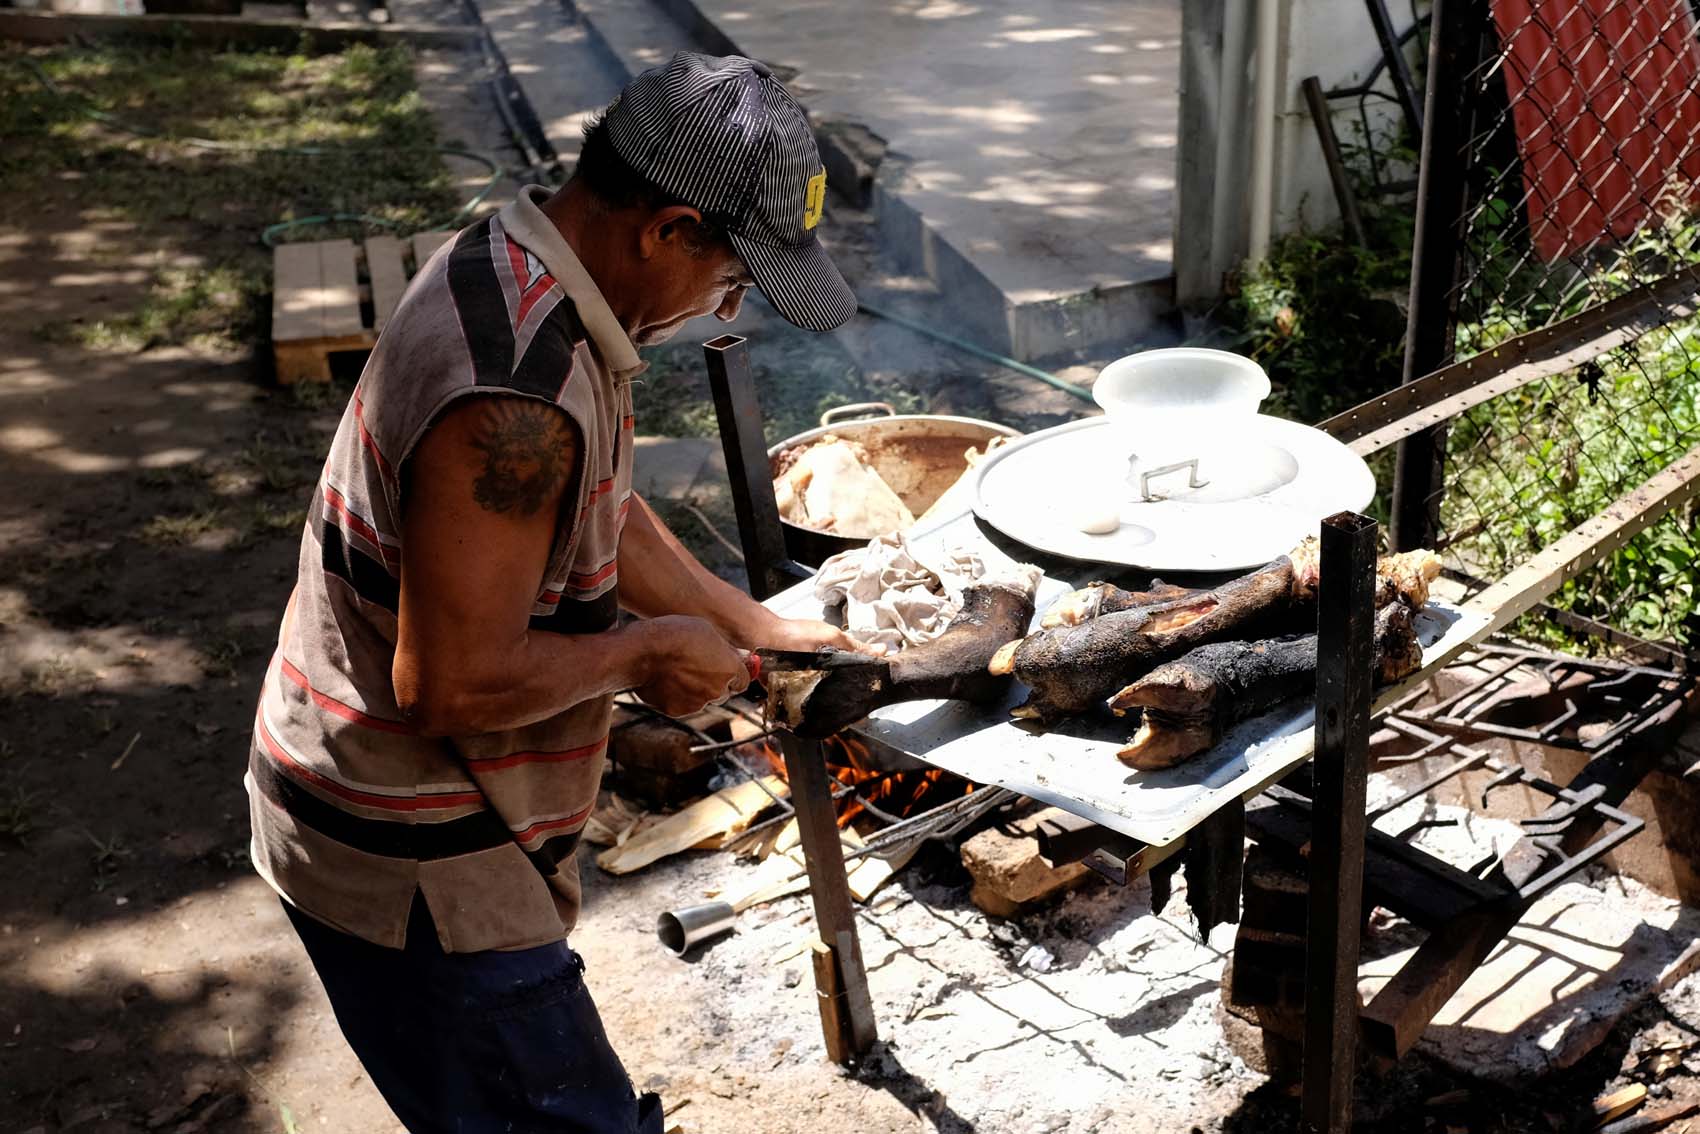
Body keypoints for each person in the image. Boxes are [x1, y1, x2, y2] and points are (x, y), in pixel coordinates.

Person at [246, 52, 864, 1132]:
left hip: (445, 817)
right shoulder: (509, 395)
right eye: (730, 275)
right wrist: (640, 655)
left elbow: (599, 506)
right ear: (667, 229)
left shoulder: (524, 263)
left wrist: (748, 622)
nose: (725, 302)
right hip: (414, 853)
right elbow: (447, 685)